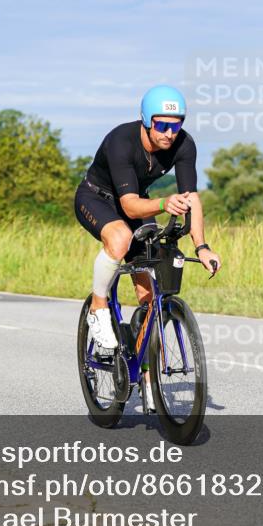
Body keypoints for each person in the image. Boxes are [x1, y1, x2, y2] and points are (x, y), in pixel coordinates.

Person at [75, 85, 222, 409]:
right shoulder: (121, 141)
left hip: (139, 204)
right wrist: (163, 202)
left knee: (149, 296)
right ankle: (99, 309)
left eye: (176, 124)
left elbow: (192, 198)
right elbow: (127, 208)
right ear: (146, 120)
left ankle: (145, 373)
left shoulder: (184, 145)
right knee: (120, 238)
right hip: (97, 199)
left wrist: (202, 246)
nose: (170, 133)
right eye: (162, 125)